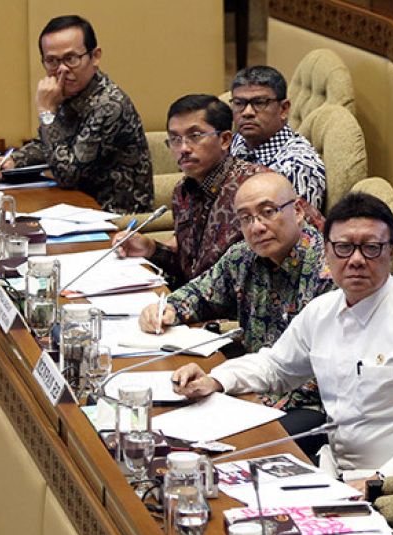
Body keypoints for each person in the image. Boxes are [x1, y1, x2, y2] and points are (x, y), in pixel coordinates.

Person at [170, 192, 393, 494]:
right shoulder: (323, 310)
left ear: (391, 251)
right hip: (333, 471)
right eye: (343, 248)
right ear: (326, 252)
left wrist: (383, 478)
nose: (355, 260)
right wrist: (215, 379)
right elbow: (276, 366)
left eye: (370, 248)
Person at [138, 172, 334, 423]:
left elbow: (323, 373)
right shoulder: (244, 257)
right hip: (251, 383)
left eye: (268, 212)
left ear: (297, 211)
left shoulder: (327, 270)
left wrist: (246, 398)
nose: (257, 227)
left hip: (310, 406)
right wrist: (168, 310)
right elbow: (200, 293)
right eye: (246, 218)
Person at [0, 15, 153, 214]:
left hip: (116, 221)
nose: (62, 69)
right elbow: (51, 145)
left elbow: (68, 174)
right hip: (77, 209)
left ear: (95, 56)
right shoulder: (70, 93)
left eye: (71, 59)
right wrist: (14, 160)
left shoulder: (110, 105)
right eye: (52, 61)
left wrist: (47, 112)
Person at [114, 95, 269, 287]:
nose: (184, 148)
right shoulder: (182, 191)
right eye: (175, 139)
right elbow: (191, 269)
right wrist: (151, 249)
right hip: (194, 301)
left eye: (195, 136)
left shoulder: (256, 188)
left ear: (225, 139)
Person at [228, 66, 327, 223]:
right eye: (239, 103)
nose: (247, 112)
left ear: (283, 109)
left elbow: (293, 234)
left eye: (259, 103)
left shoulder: (297, 167)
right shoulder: (239, 140)